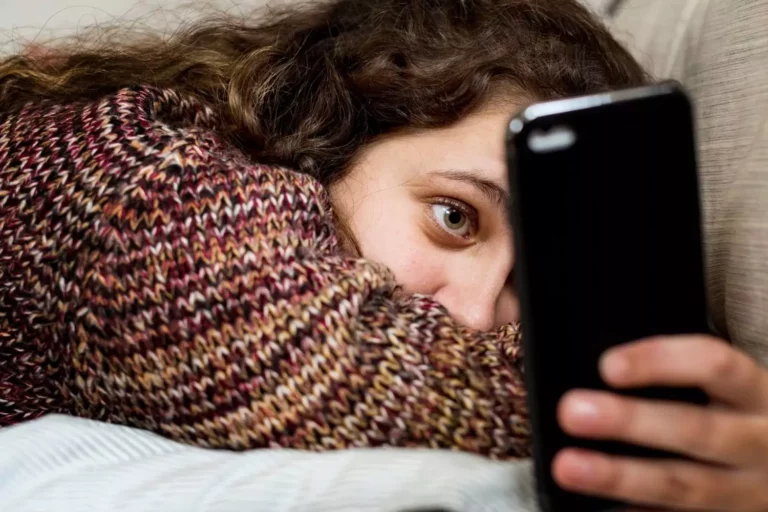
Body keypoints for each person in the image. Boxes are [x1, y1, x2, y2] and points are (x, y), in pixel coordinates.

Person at [1, 0, 767, 510]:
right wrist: (679, 426)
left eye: (529, 290)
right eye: (453, 216)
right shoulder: (122, 171)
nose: (473, 312)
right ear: (332, 130)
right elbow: (316, 363)